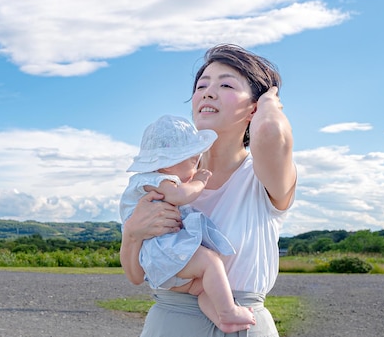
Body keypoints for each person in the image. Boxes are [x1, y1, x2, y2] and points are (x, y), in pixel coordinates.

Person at [120, 44, 296, 337]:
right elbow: (135, 275)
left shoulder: (262, 178)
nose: (208, 92)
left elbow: (271, 134)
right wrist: (132, 234)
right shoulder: (164, 178)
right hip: (168, 325)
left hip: (242, 326)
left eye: (226, 84)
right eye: (202, 85)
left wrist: (270, 102)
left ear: (254, 107)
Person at [120, 114, 256, 333]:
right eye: (193, 161)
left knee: (201, 287)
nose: (195, 167)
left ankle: (222, 320)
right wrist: (200, 181)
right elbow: (180, 196)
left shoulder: (150, 181)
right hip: (164, 251)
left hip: (162, 260)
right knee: (211, 262)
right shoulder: (155, 180)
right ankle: (228, 311)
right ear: (168, 163)